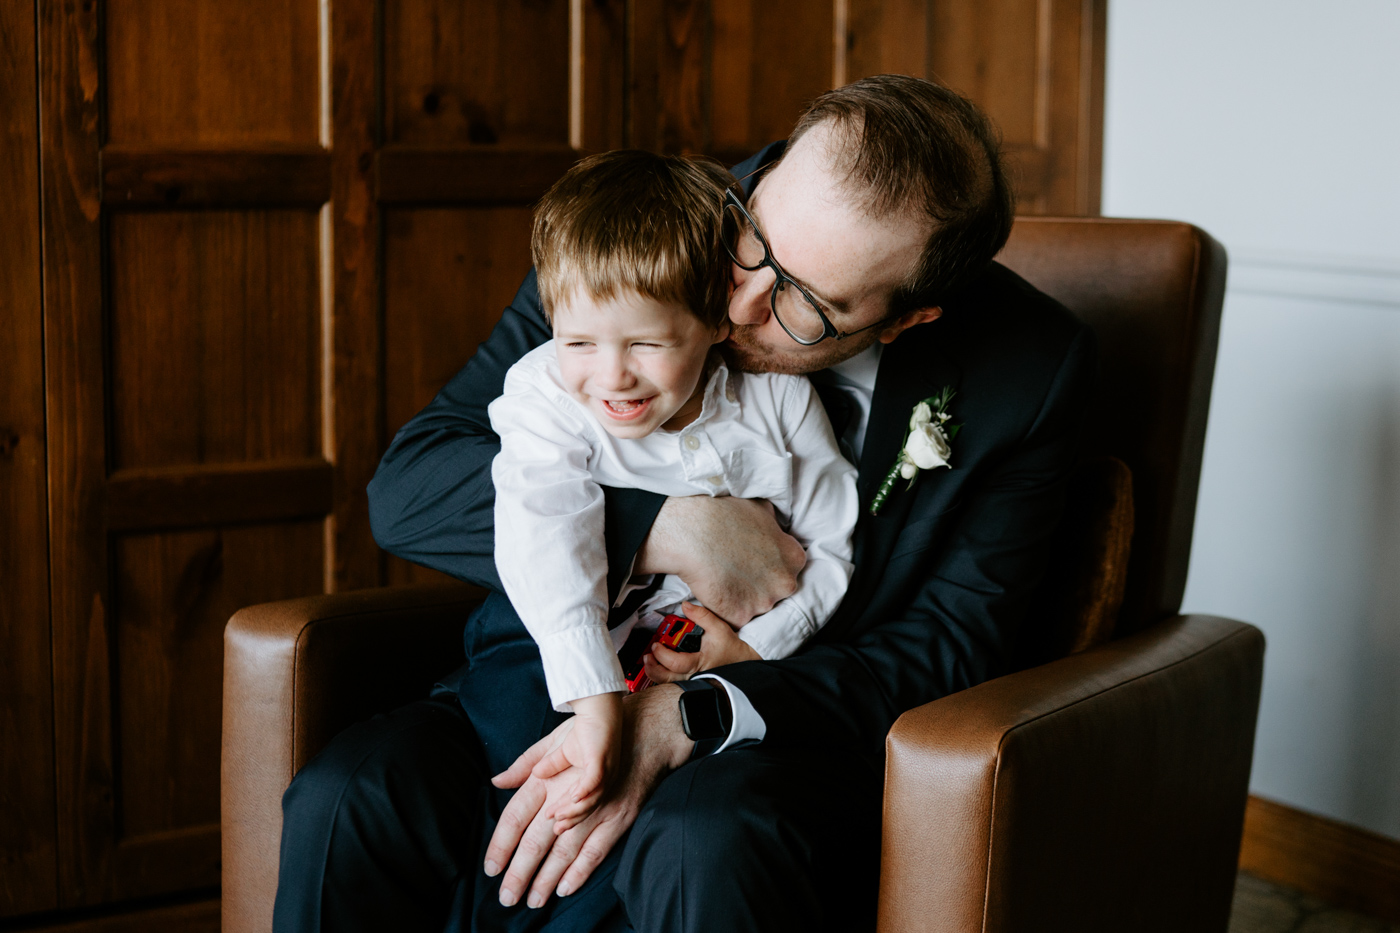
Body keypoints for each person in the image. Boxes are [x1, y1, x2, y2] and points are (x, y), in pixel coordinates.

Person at [273, 74, 1096, 933]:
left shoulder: (1028, 373)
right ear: (763, 176)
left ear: (905, 321)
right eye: (754, 240)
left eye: (805, 306)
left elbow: (948, 646)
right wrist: (668, 528)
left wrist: (692, 712)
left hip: (778, 736)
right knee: (348, 794)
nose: (737, 302)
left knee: (702, 838)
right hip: (554, 669)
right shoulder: (637, 225)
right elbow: (414, 484)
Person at [488, 149, 858, 830]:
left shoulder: (782, 405)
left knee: (701, 821)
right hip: (551, 651)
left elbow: (830, 544)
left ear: (718, 321)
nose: (612, 376)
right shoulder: (544, 396)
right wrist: (594, 696)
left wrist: (758, 649)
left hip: (709, 683)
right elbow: (543, 527)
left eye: (648, 345)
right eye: (578, 343)